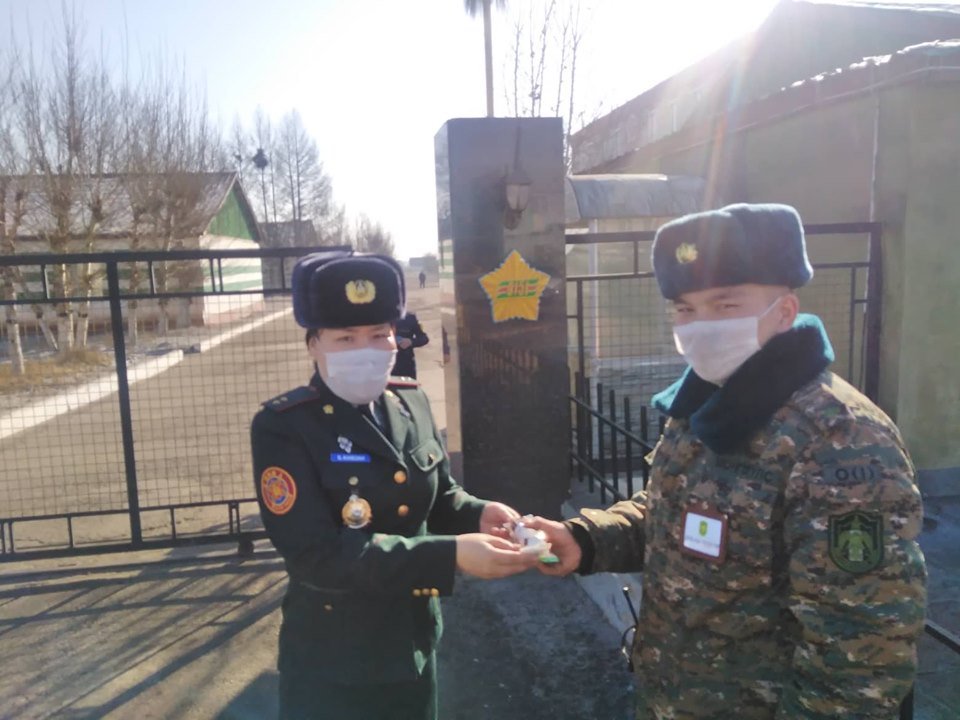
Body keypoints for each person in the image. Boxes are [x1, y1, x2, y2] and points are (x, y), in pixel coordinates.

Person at [527, 203, 927, 718]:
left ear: (784, 312)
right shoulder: (706, 402)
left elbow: (860, 655)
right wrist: (587, 540)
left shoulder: (838, 438)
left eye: (725, 305)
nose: (700, 327)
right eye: (685, 310)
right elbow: (676, 513)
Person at [250, 250, 537, 720]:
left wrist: (481, 513)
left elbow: (440, 497)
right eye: (345, 338)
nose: (366, 349)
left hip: (411, 644)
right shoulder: (284, 426)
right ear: (313, 344)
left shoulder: (410, 401)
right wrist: (451, 555)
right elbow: (316, 555)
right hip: (332, 662)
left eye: (379, 334)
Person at [392, 311, 429, 379]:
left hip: (406, 364)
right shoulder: (378, 318)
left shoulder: (409, 318)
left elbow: (424, 338)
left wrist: (411, 342)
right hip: (384, 364)